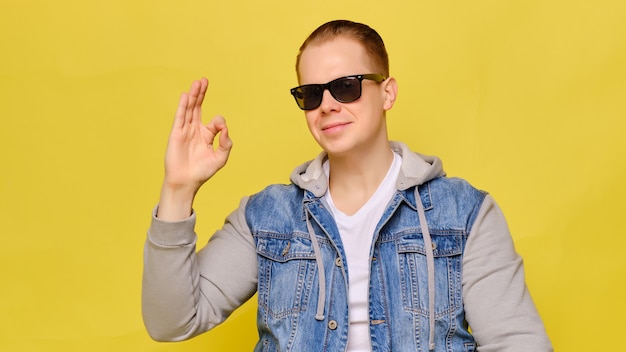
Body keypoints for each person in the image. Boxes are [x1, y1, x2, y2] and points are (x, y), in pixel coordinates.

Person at [142, 20, 553, 352]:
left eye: (346, 86)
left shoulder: (464, 213)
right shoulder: (266, 217)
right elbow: (171, 321)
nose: (328, 105)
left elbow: (517, 343)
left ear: (387, 92)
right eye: (311, 94)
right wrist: (178, 189)